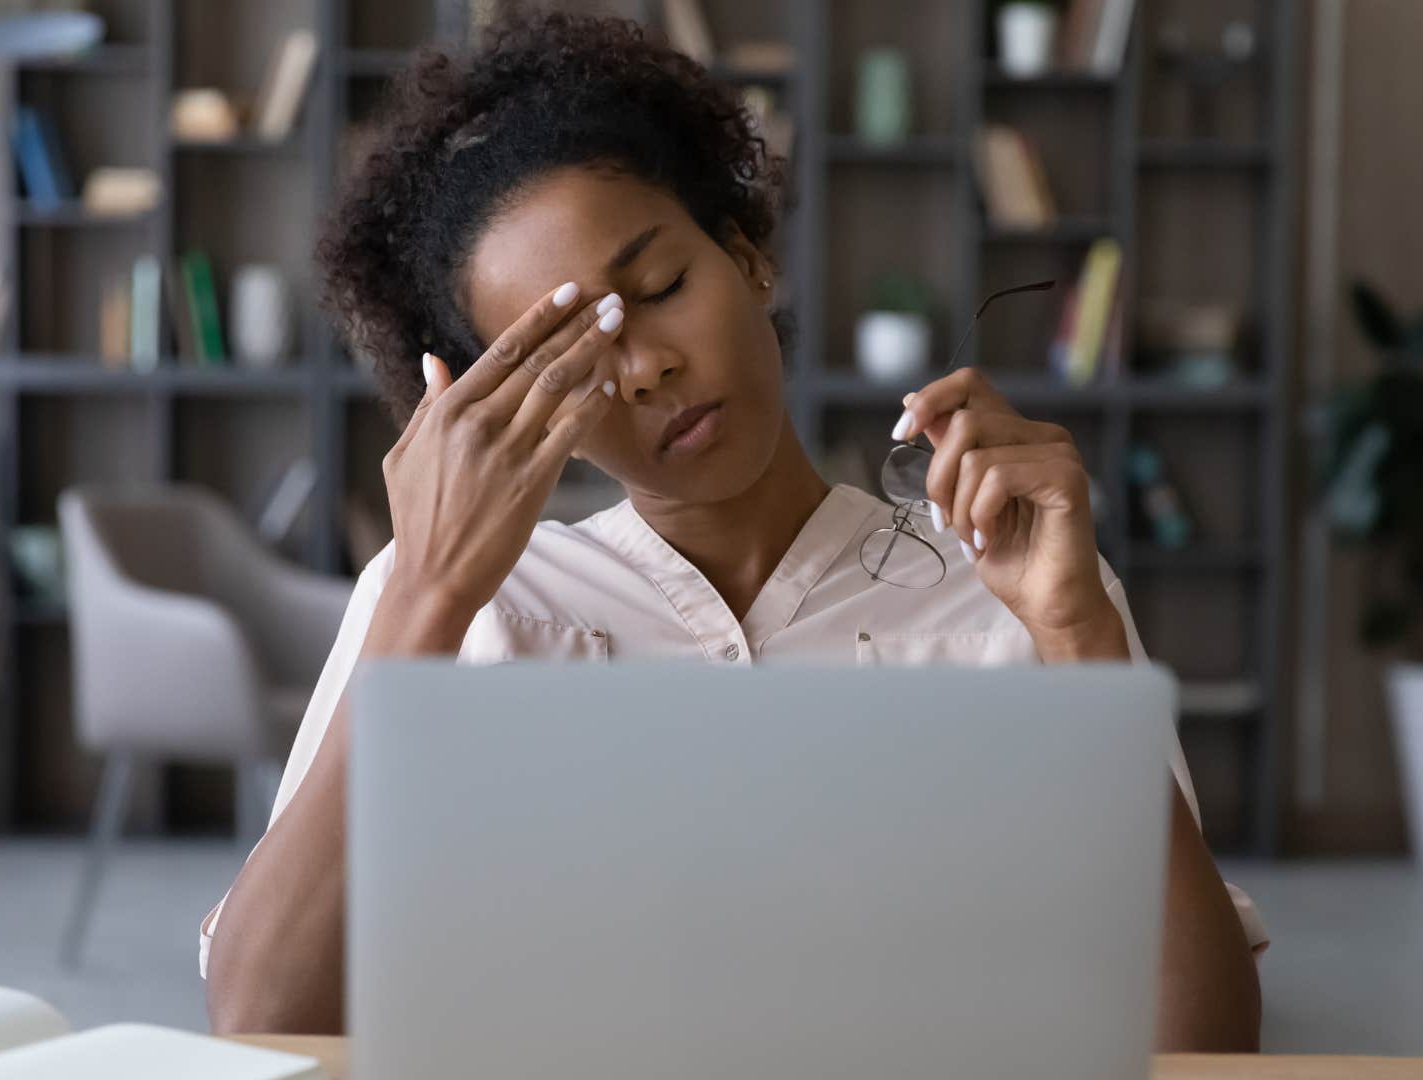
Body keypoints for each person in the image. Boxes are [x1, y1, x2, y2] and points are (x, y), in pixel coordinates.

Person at [202, 11, 1265, 1048]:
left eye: (660, 287)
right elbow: (258, 1023)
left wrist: (1079, 639)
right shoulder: (460, 611)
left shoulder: (1011, 588)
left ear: (748, 255)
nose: (645, 367)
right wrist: (427, 597)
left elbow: (1206, 1044)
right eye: (565, 362)